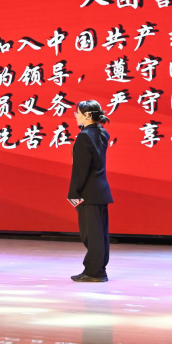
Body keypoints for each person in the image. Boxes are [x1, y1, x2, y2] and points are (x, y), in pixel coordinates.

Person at [68, 100, 114, 282]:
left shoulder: (84, 136)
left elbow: (80, 169)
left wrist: (73, 192)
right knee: (100, 235)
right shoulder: (103, 133)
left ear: (87, 115)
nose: (75, 115)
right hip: (101, 191)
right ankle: (98, 269)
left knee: (92, 235)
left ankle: (94, 272)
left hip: (88, 193)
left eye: (78, 112)